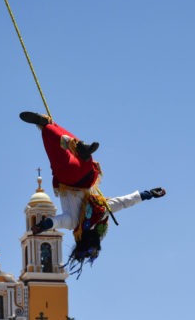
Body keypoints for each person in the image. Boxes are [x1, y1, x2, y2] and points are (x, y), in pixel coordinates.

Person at [19, 111, 166, 277]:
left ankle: (65, 137)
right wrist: (42, 226)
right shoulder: (75, 223)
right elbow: (57, 221)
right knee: (52, 145)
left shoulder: (102, 213)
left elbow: (124, 202)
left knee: (67, 145)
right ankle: (51, 130)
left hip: (88, 173)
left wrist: (148, 194)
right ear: (79, 240)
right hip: (66, 178)